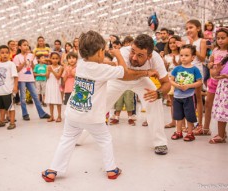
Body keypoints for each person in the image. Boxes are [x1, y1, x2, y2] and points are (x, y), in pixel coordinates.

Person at [41, 30, 150, 182]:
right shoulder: (103, 70)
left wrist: (109, 63)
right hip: (93, 118)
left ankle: (53, 170)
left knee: (66, 139)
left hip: (73, 113)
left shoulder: (80, 64)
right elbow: (124, 72)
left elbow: (98, 66)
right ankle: (111, 169)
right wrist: (118, 55)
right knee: (105, 140)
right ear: (100, 52)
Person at [106, 34, 171, 155]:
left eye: (140, 55)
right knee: (99, 105)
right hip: (118, 80)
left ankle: (160, 143)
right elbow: (124, 75)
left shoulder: (156, 59)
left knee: (155, 100)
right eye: (133, 52)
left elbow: (167, 83)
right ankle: (79, 137)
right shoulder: (123, 52)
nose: (134, 57)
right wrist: (146, 72)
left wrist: (159, 93)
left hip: (140, 81)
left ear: (149, 56)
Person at [196, 28, 228, 136]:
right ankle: (205, 128)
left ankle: (223, 131)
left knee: (223, 107)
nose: (220, 40)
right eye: (218, 38)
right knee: (209, 104)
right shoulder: (215, 50)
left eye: (223, 38)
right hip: (214, 81)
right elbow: (210, 62)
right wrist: (210, 65)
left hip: (224, 83)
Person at [170, 44, 202, 141]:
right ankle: (179, 132)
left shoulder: (194, 69)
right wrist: (177, 85)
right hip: (177, 97)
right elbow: (171, 80)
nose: (183, 57)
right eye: (181, 55)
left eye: (186, 55)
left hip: (189, 97)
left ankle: (190, 133)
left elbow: (199, 82)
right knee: (178, 115)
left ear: (193, 57)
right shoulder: (177, 68)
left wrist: (188, 86)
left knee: (189, 115)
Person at [13, 39, 50, 120]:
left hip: (30, 79)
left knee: (36, 97)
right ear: (19, 47)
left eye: (27, 45)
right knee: (23, 98)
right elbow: (17, 70)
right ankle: (25, 114)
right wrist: (24, 60)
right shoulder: (17, 57)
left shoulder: (31, 55)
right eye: (24, 45)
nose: (26, 46)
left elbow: (34, 68)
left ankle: (41, 113)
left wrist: (32, 61)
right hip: (21, 79)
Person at [184, 19, 207, 131]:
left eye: (191, 27)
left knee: (198, 98)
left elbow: (202, 58)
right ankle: (190, 124)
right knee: (188, 98)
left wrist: (192, 46)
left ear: (198, 28)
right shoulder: (187, 41)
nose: (189, 30)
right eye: (187, 28)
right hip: (186, 71)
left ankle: (200, 124)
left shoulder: (202, 41)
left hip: (197, 71)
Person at [0, 45, 18, 130]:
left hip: (8, 90)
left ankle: (12, 122)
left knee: (11, 107)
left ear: (9, 54)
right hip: (0, 90)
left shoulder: (11, 64)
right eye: (2, 53)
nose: (5, 55)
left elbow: (15, 77)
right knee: (1, 107)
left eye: (7, 53)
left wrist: (15, 87)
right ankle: (1, 121)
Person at [209, 54, 228, 144]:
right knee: (222, 110)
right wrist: (217, 71)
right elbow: (214, 75)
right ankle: (221, 134)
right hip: (223, 89)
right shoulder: (225, 60)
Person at [163, 35, 181, 128]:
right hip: (170, 80)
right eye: (170, 43)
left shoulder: (182, 55)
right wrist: (164, 63)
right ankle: (173, 121)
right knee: (172, 102)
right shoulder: (166, 56)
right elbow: (165, 69)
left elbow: (182, 68)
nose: (172, 44)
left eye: (174, 42)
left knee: (181, 101)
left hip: (180, 81)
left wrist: (176, 63)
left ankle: (182, 123)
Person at [44, 52, 64, 122]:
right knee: (50, 101)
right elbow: (47, 77)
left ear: (59, 59)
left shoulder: (61, 67)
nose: (55, 60)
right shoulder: (48, 67)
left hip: (57, 85)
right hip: (49, 85)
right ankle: (51, 116)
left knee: (58, 101)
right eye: (53, 58)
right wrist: (48, 71)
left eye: (56, 58)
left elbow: (58, 77)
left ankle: (59, 116)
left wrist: (52, 70)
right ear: (50, 59)